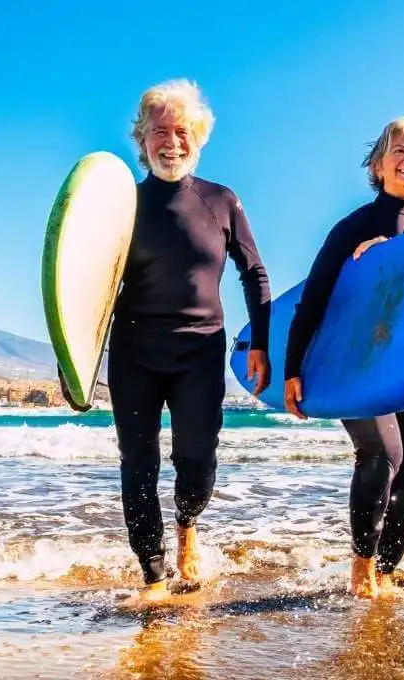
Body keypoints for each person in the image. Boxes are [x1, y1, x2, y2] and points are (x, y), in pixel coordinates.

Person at [62, 79, 272, 606]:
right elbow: (87, 284)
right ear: (143, 139)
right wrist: (73, 361)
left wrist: (262, 344)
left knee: (197, 460)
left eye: (181, 131)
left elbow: (254, 274)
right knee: (138, 464)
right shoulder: (123, 207)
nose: (171, 142)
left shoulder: (220, 201)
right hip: (135, 350)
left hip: (200, 352)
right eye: (160, 132)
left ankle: (188, 524)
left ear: (198, 137)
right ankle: (153, 578)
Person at [283, 117, 404, 599]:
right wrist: (292, 370)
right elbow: (316, 300)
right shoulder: (353, 227)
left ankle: (386, 575)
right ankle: (362, 572)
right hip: (359, 361)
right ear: (378, 165)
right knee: (383, 453)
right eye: (399, 150)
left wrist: (399, 258)